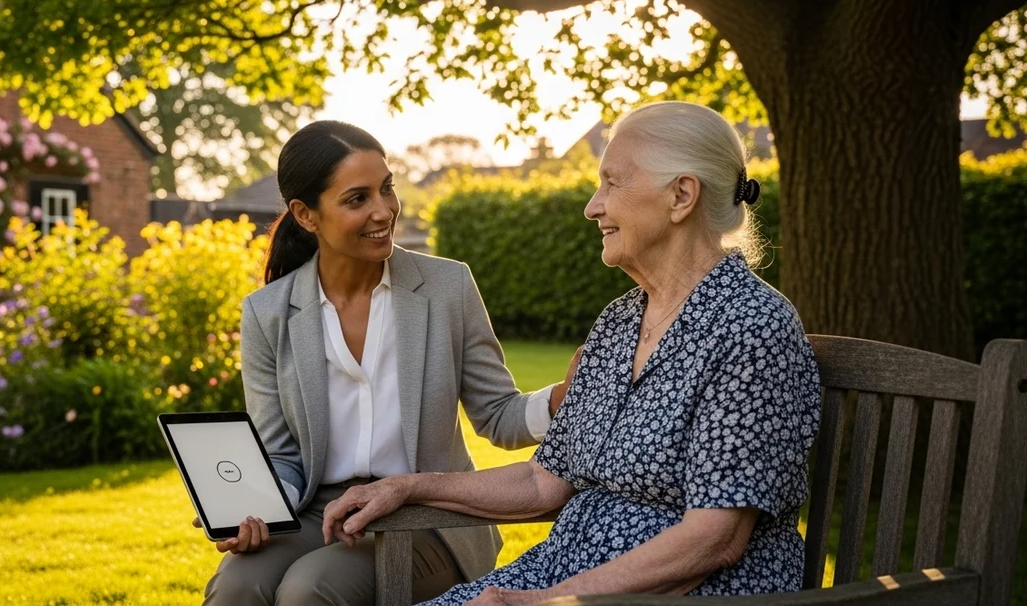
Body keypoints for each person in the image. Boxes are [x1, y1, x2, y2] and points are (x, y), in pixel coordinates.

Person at [323, 101, 822, 605]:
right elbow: (546, 482)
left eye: (613, 182)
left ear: (681, 195)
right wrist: (408, 487)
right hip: (562, 578)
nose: (593, 206)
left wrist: (545, 602)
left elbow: (713, 540)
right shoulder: (620, 322)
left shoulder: (751, 328)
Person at [201, 120, 579, 606]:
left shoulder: (447, 287)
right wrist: (256, 509)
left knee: (310, 590)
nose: (384, 211)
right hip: (320, 512)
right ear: (305, 214)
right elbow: (281, 457)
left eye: (386, 189)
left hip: (429, 513)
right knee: (237, 586)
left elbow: (497, 415)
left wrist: (560, 398)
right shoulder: (268, 312)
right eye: (357, 199)